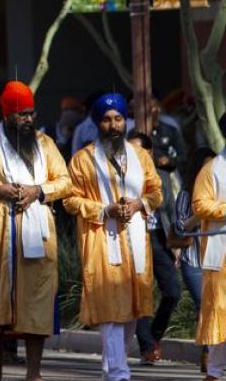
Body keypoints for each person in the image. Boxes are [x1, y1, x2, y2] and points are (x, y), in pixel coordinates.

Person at [0, 81, 72, 381]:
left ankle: (33, 371)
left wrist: (38, 190)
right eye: (21, 114)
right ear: (7, 114)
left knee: (36, 300)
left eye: (31, 114)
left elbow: (65, 181)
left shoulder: (45, 144)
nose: (28, 120)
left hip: (36, 231)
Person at [64, 93, 162, 381]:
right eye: (107, 120)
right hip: (101, 241)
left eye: (118, 118)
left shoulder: (141, 155)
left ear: (125, 121)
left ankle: (111, 365)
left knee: (132, 309)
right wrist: (104, 209)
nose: (114, 124)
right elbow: (70, 200)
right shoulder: (82, 160)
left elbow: (156, 191)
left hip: (136, 243)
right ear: (98, 123)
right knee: (109, 307)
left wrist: (138, 204)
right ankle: (119, 372)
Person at [127, 131, 181, 364]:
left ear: (149, 152)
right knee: (140, 292)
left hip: (159, 237)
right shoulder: (123, 177)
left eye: (140, 150)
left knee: (172, 292)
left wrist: (176, 243)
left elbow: (171, 211)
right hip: (133, 238)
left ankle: (154, 336)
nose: (135, 155)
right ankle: (147, 347)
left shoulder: (162, 177)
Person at [176, 147, 217, 373]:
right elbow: (182, 228)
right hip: (193, 261)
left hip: (217, 258)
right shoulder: (185, 195)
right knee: (205, 304)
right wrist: (201, 211)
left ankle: (211, 350)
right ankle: (208, 352)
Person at [192, 113, 226, 381]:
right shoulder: (212, 168)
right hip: (221, 251)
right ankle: (214, 371)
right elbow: (200, 205)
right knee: (219, 311)